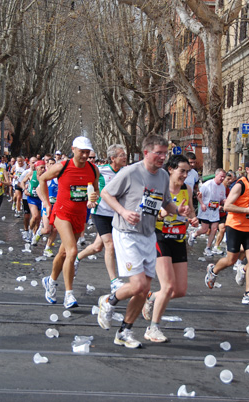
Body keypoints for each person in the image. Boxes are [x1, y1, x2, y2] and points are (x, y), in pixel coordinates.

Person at [96, 135, 189, 349]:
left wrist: (178, 210)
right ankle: (108, 301)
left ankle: (124, 331)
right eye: (159, 153)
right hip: (126, 233)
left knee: (144, 288)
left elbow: (165, 201)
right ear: (146, 152)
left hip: (148, 234)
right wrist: (123, 211)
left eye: (165, 153)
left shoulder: (164, 175)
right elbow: (106, 193)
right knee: (138, 284)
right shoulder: (131, 172)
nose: (163, 157)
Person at [141, 154, 198, 342]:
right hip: (160, 237)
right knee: (168, 286)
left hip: (178, 238)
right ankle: (153, 328)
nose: (185, 175)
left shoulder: (187, 189)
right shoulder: (160, 189)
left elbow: (190, 211)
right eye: (182, 171)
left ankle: (151, 297)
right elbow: (147, 213)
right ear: (171, 169)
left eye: (187, 172)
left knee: (180, 290)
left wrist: (192, 218)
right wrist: (161, 215)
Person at [38, 137, 99, 309]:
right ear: (73, 149)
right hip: (62, 213)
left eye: (88, 152)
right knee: (72, 251)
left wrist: (93, 198)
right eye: (82, 152)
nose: (85, 155)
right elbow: (42, 179)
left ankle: (50, 281)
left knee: (63, 254)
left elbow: (95, 191)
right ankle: (69, 295)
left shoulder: (93, 170)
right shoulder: (62, 166)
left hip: (80, 216)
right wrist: (47, 204)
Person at [205, 158, 249, 305]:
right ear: (248, 169)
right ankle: (213, 271)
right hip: (235, 226)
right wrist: (246, 210)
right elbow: (227, 207)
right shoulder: (240, 185)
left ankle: (248, 292)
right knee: (231, 260)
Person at [74, 144, 127, 292]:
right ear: (113, 158)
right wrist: (91, 199)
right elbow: (89, 186)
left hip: (117, 215)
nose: (125, 157)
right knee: (109, 245)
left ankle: (77, 258)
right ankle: (114, 281)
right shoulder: (101, 171)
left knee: (98, 247)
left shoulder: (126, 172)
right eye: (122, 155)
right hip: (101, 213)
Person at [188, 168, 226, 256]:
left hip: (215, 210)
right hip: (206, 209)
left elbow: (223, 198)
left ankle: (208, 247)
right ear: (216, 175)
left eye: (224, 177)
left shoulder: (222, 187)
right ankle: (193, 234)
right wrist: (202, 204)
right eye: (221, 177)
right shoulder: (207, 185)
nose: (222, 179)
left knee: (214, 229)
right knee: (204, 230)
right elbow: (199, 195)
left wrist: (225, 202)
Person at [22, 159, 46, 244]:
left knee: (39, 219)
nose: (43, 170)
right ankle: (29, 231)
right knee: (35, 216)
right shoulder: (32, 174)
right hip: (32, 198)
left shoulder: (46, 175)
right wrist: (24, 189)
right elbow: (23, 182)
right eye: (41, 168)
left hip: (41, 199)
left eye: (44, 167)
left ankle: (34, 235)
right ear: (36, 168)